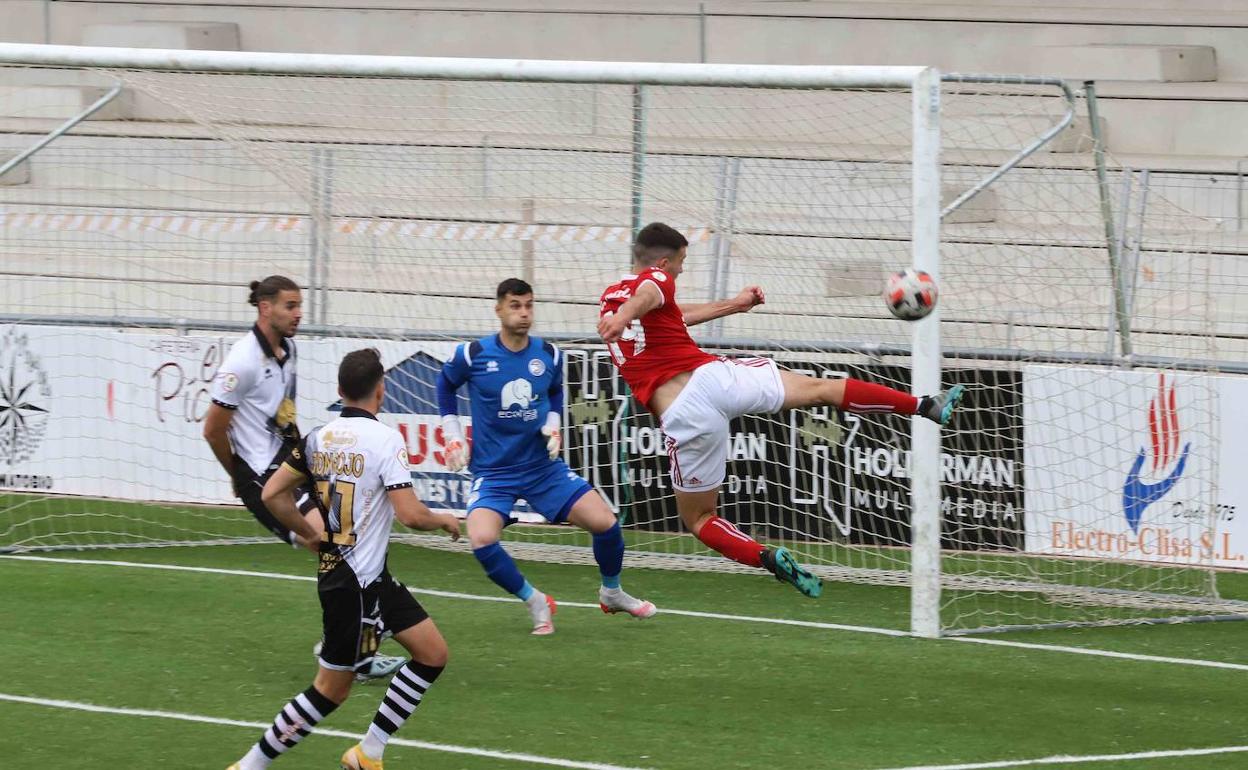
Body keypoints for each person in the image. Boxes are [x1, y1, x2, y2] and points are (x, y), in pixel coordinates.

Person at [597, 223, 965, 598]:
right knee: (822, 389)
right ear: (662, 260)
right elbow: (648, 293)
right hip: (714, 380)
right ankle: (925, 405)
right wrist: (627, 314)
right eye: (681, 262)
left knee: (699, 518)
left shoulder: (610, 297)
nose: (681, 270)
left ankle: (768, 558)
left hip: (683, 414)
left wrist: (734, 305)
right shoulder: (654, 281)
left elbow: (668, 312)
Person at [227, 348, 463, 770]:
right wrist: (443, 520)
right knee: (329, 691)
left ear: (340, 392)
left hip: (371, 580)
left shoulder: (318, 437)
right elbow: (409, 515)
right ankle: (249, 765)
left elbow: (270, 494)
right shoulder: (386, 440)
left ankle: (367, 753)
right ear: (381, 391)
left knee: (432, 653)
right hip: (353, 586)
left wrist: (307, 532)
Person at [204, 276, 405, 680]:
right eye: (290, 306)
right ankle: (350, 650)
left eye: (299, 306)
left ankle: (348, 646)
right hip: (263, 477)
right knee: (337, 548)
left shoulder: (288, 350)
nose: (299, 314)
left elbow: (283, 415)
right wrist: (239, 476)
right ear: (265, 308)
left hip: (291, 465)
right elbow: (212, 429)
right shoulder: (241, 362)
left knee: (348, 548)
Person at [437, 278, 656, 635]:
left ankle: (611, 591)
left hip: (542, 469)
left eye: (528, 305)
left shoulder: (549, 355)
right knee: (481, 539)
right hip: (494, 474)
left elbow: (555, 392)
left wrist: (554, 425)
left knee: (606, 523)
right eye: (515, 305)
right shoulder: (474, 355)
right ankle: (534, 599)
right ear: (498, 309)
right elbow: (445, 386)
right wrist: (452, 436)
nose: (523, 313)